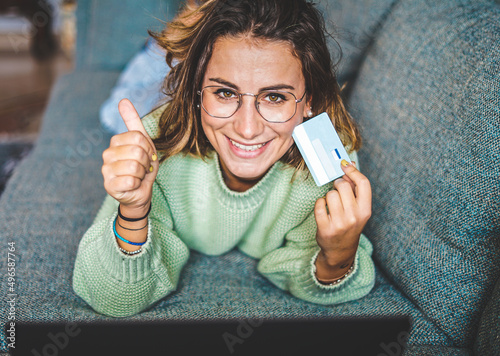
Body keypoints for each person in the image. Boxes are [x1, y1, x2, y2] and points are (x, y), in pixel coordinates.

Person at [72, 0, 375, 317]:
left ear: (308, 102)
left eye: (275, 97)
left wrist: (338, 256)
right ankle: (183, 26)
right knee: (115, 114)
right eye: (225, 92)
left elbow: (335, 277)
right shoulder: (155, 144)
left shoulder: (330, 161)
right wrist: (133, 213)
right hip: (162, 93)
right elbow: (112, 297)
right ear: (197, 92)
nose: (247, 129)